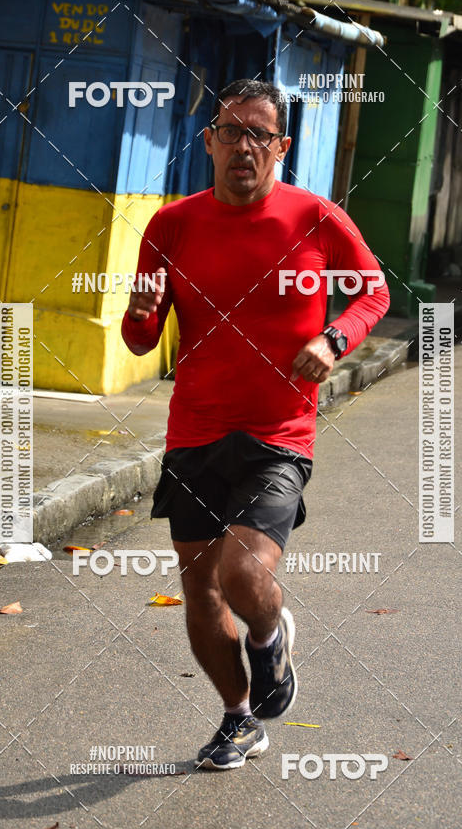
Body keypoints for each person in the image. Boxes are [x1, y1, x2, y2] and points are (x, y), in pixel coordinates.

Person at [122, 79, 389, 770]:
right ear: (209, 142)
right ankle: (238, 718)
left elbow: (374, 291)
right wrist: (142, 314)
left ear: (281, 146)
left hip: (279, 434)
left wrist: (334, 339)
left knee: (243, 573)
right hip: (195, 433)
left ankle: (270, 637)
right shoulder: (171, 225)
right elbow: (140, 339)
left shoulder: (315, 217)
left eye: (259, 134)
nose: (244, 146)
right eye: (231, 131)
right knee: (201, 591)